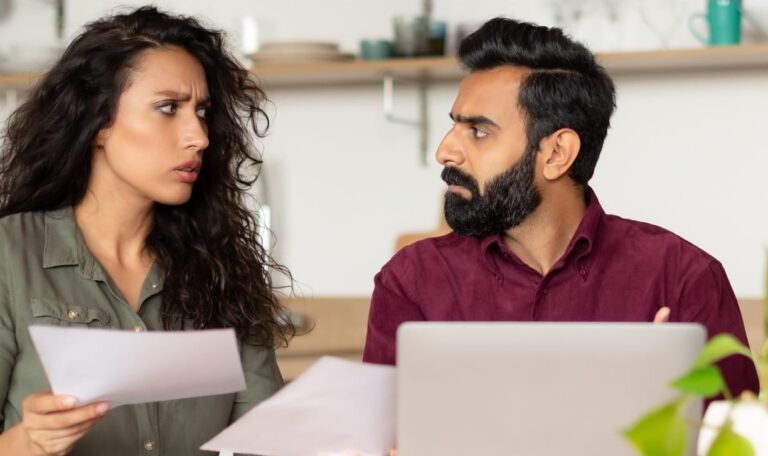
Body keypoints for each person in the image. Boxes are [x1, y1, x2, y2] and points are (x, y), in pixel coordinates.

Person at [363, 18, 759, 397]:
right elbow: (379, 432)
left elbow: (740, 431)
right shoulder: (412, 282)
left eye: (479, 131)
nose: (445, 151)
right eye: (454, 126)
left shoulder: (683, 279)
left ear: (556, 153)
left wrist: (666, 403)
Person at [0, 6, 293, 455]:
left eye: (202, 111)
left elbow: (269, 440)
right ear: (99, 122)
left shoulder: (224, 268)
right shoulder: (9, 255)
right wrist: (27, 442)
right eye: (168, 108)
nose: (199, 136)